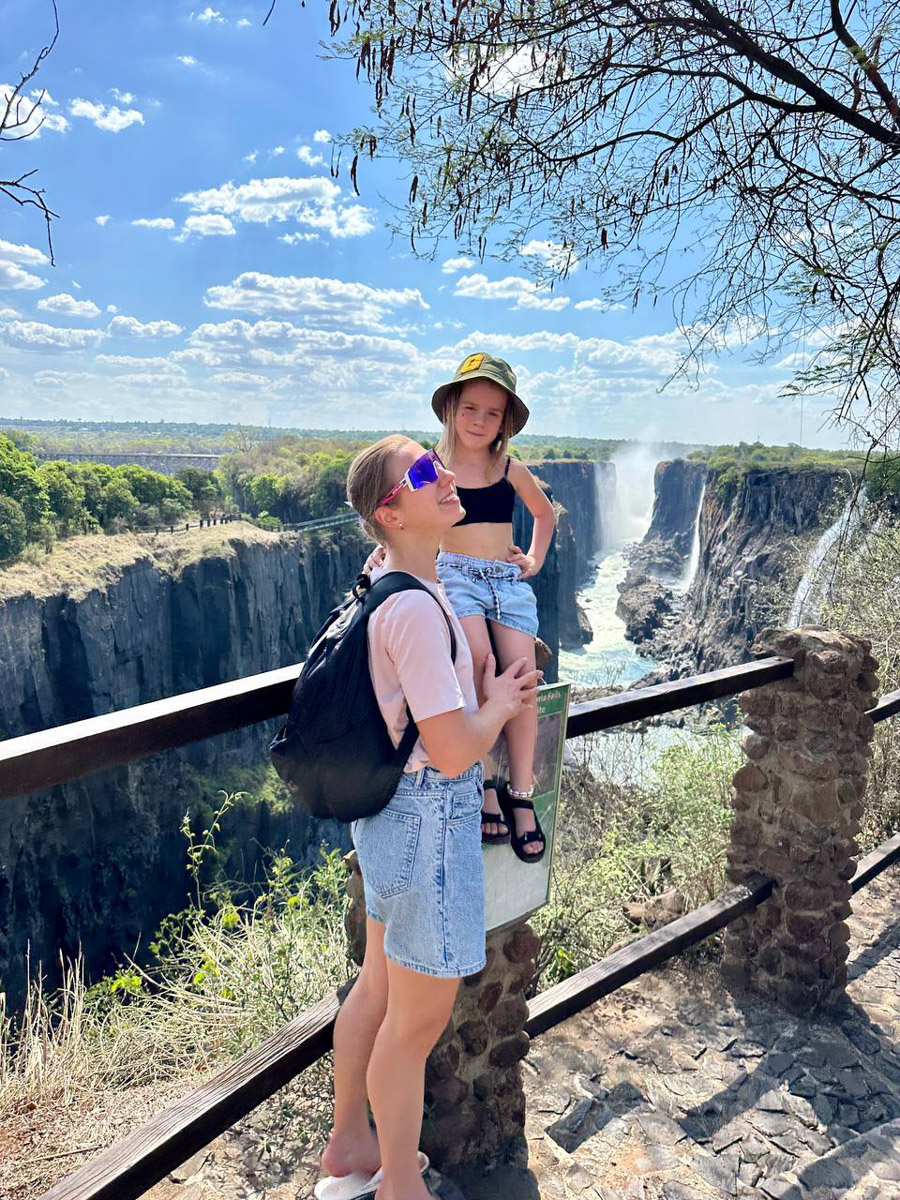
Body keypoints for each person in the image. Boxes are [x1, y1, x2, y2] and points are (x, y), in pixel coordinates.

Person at [317, 435, 540, 1200]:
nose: (445, 474)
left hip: (386, 822)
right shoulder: (413, 605)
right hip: (427, 821)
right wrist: (502, 705)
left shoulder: (390, 577)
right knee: (413, 1028)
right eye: (423, 472)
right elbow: (449, 750)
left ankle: (350, 1146)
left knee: (376, 992)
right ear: (390, 509)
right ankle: (398, 1189)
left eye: (437, 465)